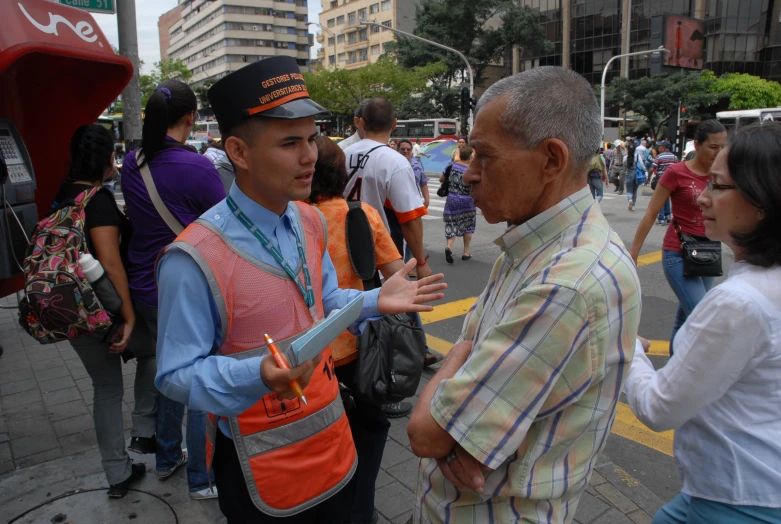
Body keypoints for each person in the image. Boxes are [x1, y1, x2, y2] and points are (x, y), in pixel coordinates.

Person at [154, 56, 447, 524]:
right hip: (259, 465)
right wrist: (258, 375)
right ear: (240, 152)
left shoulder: (308, 220)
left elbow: (327, 304)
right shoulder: (193, 258)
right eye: (290, 142)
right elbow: (174, 375)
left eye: (311, 139)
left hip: (332, 438)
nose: (310, 155)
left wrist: (374, 300)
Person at [407, 66, 641, 523]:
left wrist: (453, 371)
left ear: (551, 159)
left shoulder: (565, 283)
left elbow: (426, 435)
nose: (469, 174)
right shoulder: (534, 245)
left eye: (484, 156)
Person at [625, 124, 781, 524]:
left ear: (762, 200)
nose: (703, 197)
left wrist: (628, 351)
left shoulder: (736, 303)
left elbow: (658, 408)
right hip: (732, 487)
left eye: (718, 186)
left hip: (738, 497)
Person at [122, 80, 226, 499]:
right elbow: (224, 227)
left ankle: (167, 456)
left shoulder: (132, 162)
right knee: (200, 377)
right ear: (190, 119)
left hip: (146, 288)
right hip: (188, 289)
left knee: (170, 370)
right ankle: (202, 477)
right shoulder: (199, 167)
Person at [308, 136, 405, 524]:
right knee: (369, 430)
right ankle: (359, 511)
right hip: (356, 350)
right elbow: (395, 274)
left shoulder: (289, 216)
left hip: (307, 357)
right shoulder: (360, 213)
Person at [53, 124, 145, 498]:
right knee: (113, 384)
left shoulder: (61, 195)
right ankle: (123, 465)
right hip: (99, 309)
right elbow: (110, 262)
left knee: (103, 384)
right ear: (110, 158)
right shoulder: (98, 201)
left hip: (66, 305)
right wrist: (129, 316)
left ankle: (120, 466)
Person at [629, 120, 727, 353]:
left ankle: (672, 368)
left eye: (723, 146)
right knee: (702, 312)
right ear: (697, 145)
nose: (719, 152)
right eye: (714, 146)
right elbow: (652, 212)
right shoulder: (677, 172)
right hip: (678, 252)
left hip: (709, 251)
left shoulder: (722, 174)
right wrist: (634, 252)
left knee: (684, 319)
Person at [342, 97, 431, 280]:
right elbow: (410, 219)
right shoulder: (395, 162)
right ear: (394, 123)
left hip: (341, 249)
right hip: (378, 256)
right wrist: (420, 262)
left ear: (363, 123)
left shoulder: (342, 154)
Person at [440, 144, 476, 263]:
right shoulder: (472, 170)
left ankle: (449, 247)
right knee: (468, 225)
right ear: (471, 156)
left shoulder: (451, 166)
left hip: (452, 199)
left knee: (451, 223)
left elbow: (441, 179)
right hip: (468, 201)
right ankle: (466, 252)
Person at [648, 140, 677, 225]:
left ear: (664, 148)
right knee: (666, 197)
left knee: (660, 199)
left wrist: (648, 177)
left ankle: (661, 218)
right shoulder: (674, 157)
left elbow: (653, 168)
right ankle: (668, 216)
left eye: (660, 146)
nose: (659, 148)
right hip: (671, 181)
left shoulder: (660, 157)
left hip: (661, 181)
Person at [627, 138, 649, 211]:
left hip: (629, 174)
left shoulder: (625, 157)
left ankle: (630, 200)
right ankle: (633, 205)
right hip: (636, 175)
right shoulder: (637, 156)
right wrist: (646, 172)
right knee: (635, 191)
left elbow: (624, 167)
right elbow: (642, 165)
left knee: (629, 190)